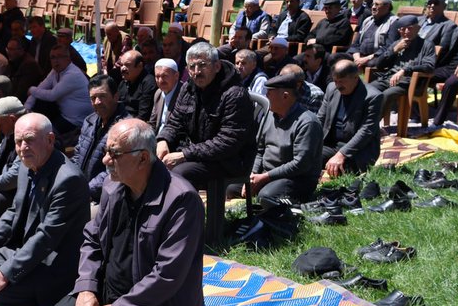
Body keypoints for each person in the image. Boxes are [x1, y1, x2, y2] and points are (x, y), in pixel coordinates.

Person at [39, 118, 205, 306]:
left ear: (142, 159)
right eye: (107, 151)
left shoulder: (182, 200)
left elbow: (167, 275)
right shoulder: (113, 186)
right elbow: (92, 239)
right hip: (109, 287)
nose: (106, 160)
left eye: (114, 154)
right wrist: (86, 288)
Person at [0, 113, 90, 306]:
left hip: (50, 262)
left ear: (50, 140)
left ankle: (38, 293)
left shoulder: (68, 180)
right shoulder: (27, 166)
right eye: (18, 142)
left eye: (29, 140)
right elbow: (13, 212)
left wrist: (4, 274)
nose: (23, 147)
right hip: (22, 249)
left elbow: (46, 238)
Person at [156, 42, 255, 190]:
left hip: (228, 161)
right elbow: (175, 121)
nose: (196, 71)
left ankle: (188, 212)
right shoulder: (188, 88)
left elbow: (227, 142)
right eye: (191, 67)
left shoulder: (235, 94)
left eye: (202, 65)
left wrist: (184, 155)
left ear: (217, 66)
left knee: (180, 173)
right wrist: (163, 140)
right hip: (199, 154)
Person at [245, 70, 323, 207]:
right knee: (231, 187)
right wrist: (253, 174)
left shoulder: (307, 122)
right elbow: (260, 149)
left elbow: (300, 164)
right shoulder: (270, 115)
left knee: (266, 196)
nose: (266, 98)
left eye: (269, 94)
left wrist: (264, 178)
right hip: (266, 174)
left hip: (295, 179)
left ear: (285, 96)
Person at [318, 59, 383, 177]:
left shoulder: (372, 97)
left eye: (341, 82)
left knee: (339, 170)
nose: (338, 86)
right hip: (331, 144)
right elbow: (320, 118)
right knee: (306, 159)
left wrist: (341, 154)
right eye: (335, 81)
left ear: (355, 77)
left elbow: (366, 131)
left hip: (358, 150)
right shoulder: (331, 89)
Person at [72, 74, 129, 204]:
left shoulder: (124, 128)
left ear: (116, 96)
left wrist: (86, 190)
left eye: (102, 96)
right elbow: (77, 155)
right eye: (93, 98)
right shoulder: (89, 121)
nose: (97, 102)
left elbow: (114, 170)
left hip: (106, 196)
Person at [367, 16, 437, 119]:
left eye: (410, 28)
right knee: (369, 90)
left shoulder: (426, 45)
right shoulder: (397, 43)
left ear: (417, 28)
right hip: (389, 78)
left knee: (386, 95)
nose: (406, 32)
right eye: (403, 29)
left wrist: (404, 71)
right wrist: (394, 50)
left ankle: (371, 126)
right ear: (399, 31)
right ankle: (362, 121)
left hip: (409, 82)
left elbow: (429, 66)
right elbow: (379, 64)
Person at [25, 45, 94, 139]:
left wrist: (31, 89)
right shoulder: (55, 71)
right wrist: (27, 107)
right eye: (53, 57)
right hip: (63, 114)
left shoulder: (72, 74)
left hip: (76, 121)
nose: (56, 60)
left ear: (68, 59)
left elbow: (52, 95)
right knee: (39, 106)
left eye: (60, 56)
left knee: (43, 134)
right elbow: (41, 87)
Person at [116, 50, 155, 122]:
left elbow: (143, 116)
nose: (123, 68)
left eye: (127, 65)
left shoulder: (148, 83)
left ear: (139, 66)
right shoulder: (123, 83)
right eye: (121, 65)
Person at [148, 58, 180, 133]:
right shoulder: (158, 93)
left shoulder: (183, 94)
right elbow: (153, 122)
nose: (160, 81)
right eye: (157, 76)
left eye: (164, 76)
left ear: (176, 76)